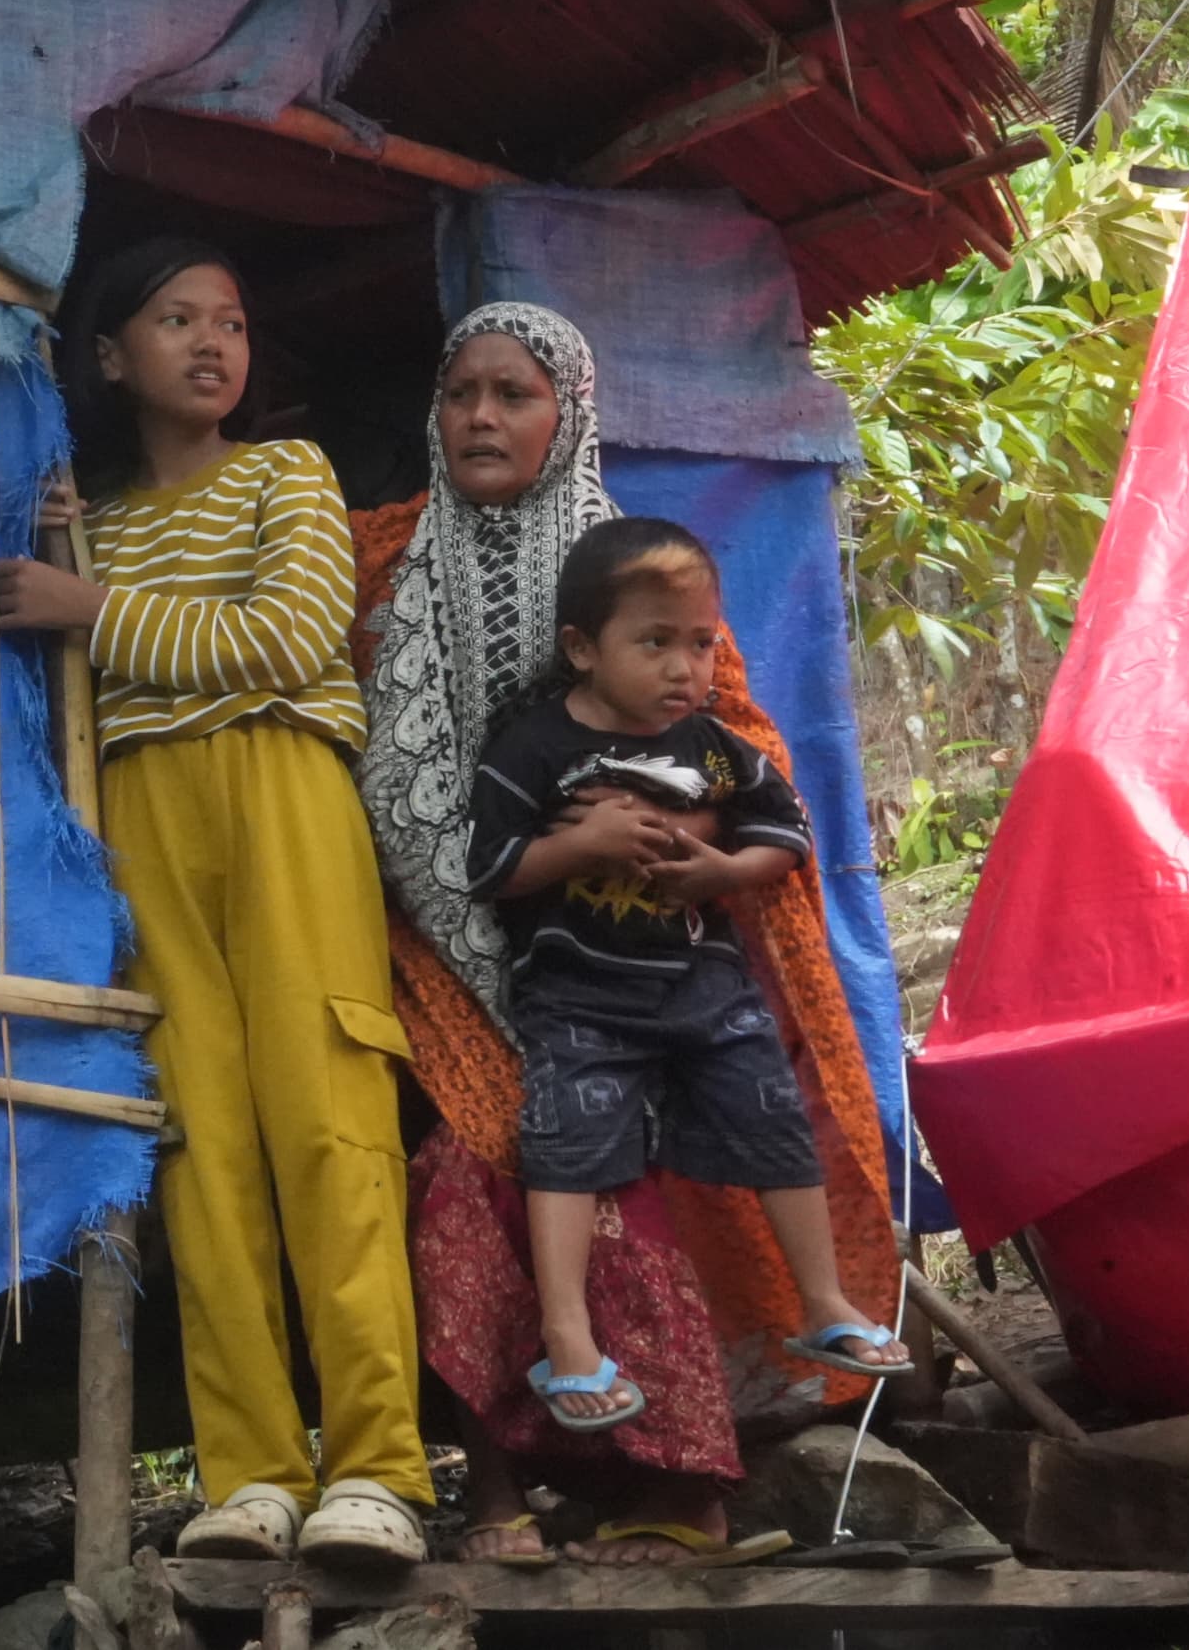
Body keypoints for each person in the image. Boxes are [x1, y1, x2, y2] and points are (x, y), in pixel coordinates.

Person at [353, 303, 904, 1566]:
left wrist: (667, 829)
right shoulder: (378, 558)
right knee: (460, 1183)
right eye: (461, 394)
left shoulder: (633, 572)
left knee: (624, 1187)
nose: (483, 417)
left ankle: (673, 1489)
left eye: (515, 392)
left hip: (629, 959)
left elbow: (741, 742)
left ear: (571, 413)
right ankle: (494, 1496)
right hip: (441, 950)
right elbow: (282, 649)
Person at [0, 238, 433, 1573]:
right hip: (141, 815)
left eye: (230, 321)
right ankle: (250, 1470)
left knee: (326, 1116)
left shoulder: (284, 474)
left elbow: (289, 640)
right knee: (200, 1147)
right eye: (174, 319)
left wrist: (89, 610)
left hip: (284, 791)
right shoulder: (95, 522)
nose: (210, 342)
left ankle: (379, 1469)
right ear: (112, 355)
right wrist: (81, 580)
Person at [468, 517, 912, 1426]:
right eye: (655, 642)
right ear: (582, 648)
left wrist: (722, 872)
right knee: (564, 1151)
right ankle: (568, 1334)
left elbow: (783, 837)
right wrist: (582, 843)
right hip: (580, 1002)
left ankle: (822, 1302)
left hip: (706, 990)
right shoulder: (535, 746)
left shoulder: (713, 746)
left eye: (701, 643)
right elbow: (490, 869)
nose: (684, 668)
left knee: (775, 1121)